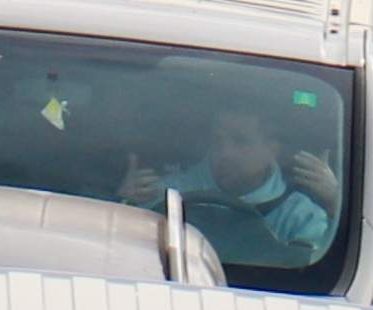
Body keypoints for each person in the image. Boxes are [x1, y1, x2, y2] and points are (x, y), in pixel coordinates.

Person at [122, 96, 337, 269]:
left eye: (240, 141)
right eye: (218, 140)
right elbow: (126, 250)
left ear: (272, 149)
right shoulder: (169, 194)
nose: (225, 153)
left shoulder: (299, 215)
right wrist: (124, 203)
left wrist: (335, 205)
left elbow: (313, 271)